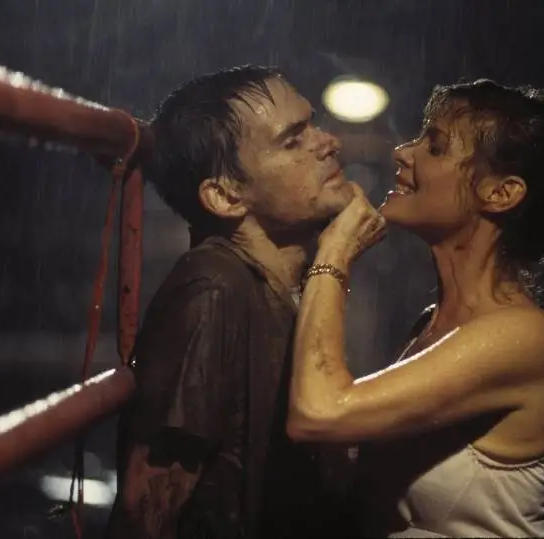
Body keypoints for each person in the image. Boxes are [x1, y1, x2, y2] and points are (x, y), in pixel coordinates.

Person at [287, 79, 544, 538]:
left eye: (435, 147)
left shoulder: (525, 338)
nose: (402, 152)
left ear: (501, 193)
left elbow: (319, 413)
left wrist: (335, 253)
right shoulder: (434, 323)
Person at [103, 65, 355, 539]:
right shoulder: (212, 289)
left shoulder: (283, 283)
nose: (328, 142)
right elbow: (145, 512)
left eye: (313, 125)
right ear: (225, 195)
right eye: (292, 141)